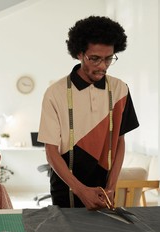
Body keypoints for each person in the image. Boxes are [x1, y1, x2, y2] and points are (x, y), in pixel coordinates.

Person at [38, 16, 139, 210]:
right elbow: (51, 151)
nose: (102, 66)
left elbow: (120, 142)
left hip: (105, 187)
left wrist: (111, 187)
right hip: (65, 187)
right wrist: (80, 190)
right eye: (94, 58)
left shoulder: (120, 90)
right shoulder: (55, 93)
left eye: (109, 58)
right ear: (79, 53)